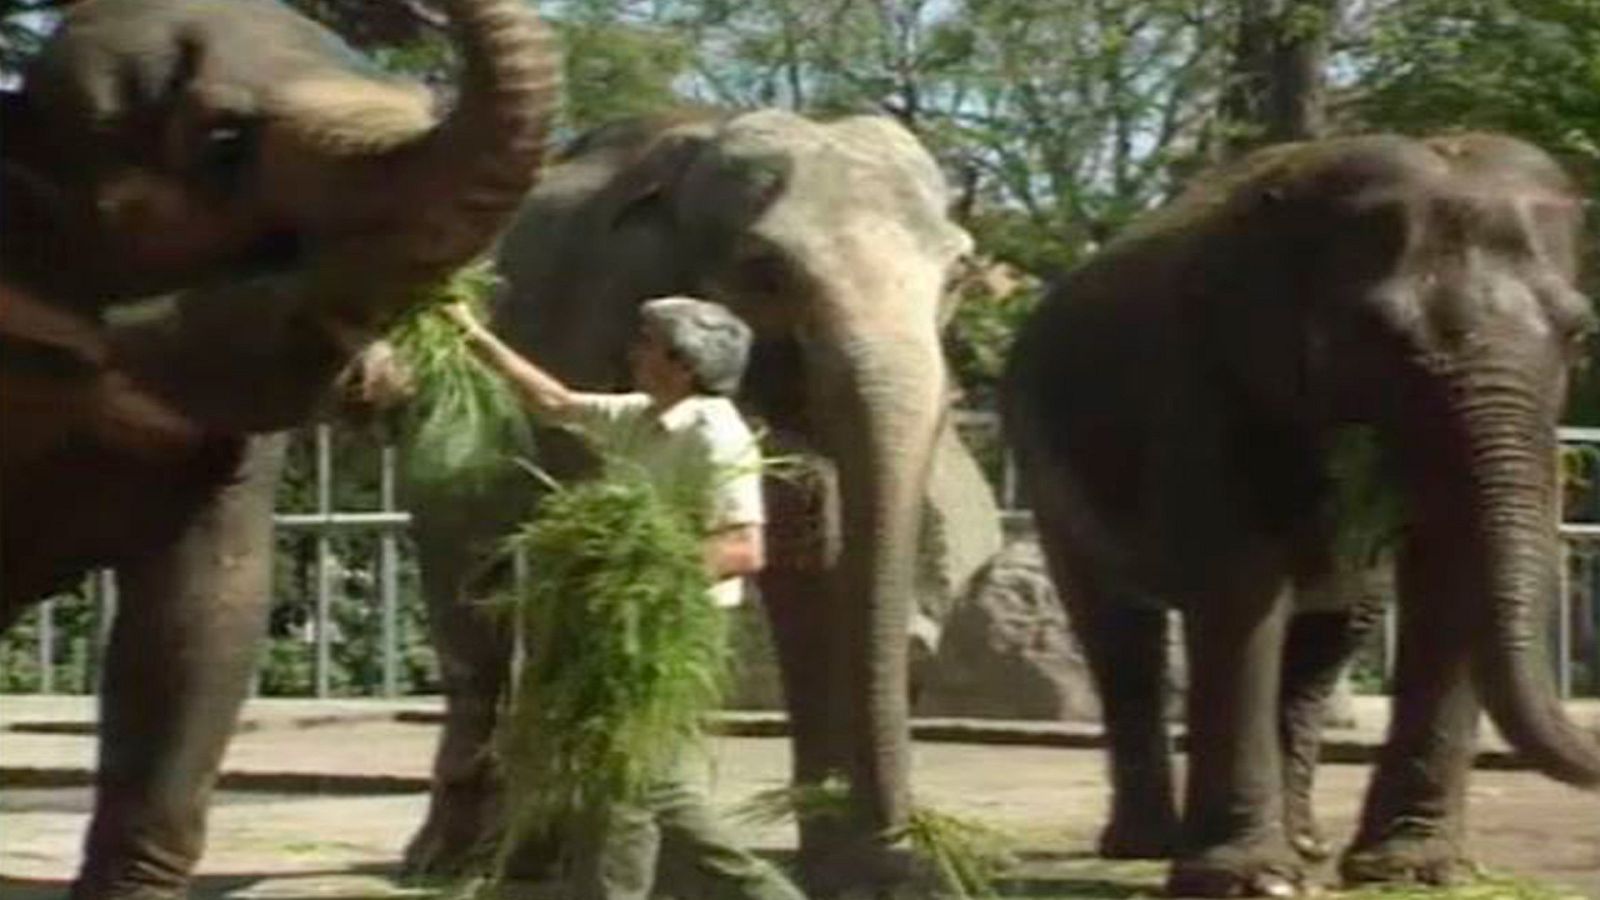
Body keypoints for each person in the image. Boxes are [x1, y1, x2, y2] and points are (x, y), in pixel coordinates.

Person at [445, 296, 806, 900]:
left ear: (683, 363)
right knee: (616, 783)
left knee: (646, 786)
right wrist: (469, 331)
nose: (633, 352)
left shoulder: (715, 436)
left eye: (646, 343)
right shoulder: (641, 415)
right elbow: (554, 403)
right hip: (618, 622)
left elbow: (743, 548)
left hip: (671, 631)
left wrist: (636, 575)